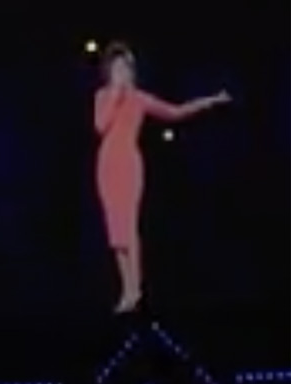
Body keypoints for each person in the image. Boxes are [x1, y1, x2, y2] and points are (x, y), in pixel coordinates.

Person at [93, 42, 231, 313]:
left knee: (128, 225)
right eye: (116, 68)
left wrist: (211, 101)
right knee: (115, 228)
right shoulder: (102, 96)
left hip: (129, 164)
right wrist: (115, 95)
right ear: (109, 71)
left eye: (125, 68)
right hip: (106, 165)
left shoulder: (140, 98)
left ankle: (136, 288)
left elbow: (175, 112)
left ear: (132, 72)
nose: (121, 73)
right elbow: (100, 126)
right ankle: (125, 289)